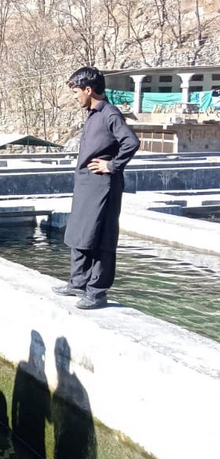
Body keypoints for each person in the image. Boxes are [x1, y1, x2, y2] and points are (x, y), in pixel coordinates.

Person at [53, 67, 139, 310]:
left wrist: (111, 165)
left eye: (77, 92)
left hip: (103, 186)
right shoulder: (92, 113)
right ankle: (77, 282)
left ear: (89, 90)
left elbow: (131, 142)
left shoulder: (110, 113)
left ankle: (97, 292)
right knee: (80, 233)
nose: (75, 96)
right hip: (86, 185)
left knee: (101, 237)